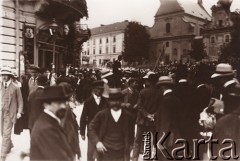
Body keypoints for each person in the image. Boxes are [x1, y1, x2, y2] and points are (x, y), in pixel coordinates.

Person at [30, 86, 74, 161]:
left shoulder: (50, 122)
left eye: (64, 102)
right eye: (59, 103)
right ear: (46, 105)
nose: (63, 106)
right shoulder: (46, 129)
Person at [88, 88, 133, 161]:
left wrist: (131, 147)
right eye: (112, 100)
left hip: (122, 154)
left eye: (118, 100)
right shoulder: (102, 115)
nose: (115, 103)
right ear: (108, 101)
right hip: (105, 153)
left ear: (121, 101)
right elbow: (91, 128)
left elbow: (131, 134)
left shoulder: (128, 116)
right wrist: (97, 142)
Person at [132, 74, 161, 161]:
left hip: (142, 120)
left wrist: (147, 115)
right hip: (153, 121)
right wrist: (153, 115)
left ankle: (134, 158)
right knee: (152, 141)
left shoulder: (143, 91)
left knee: (137, 141)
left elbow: (139, 106)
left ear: (149, 81)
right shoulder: (160, 92)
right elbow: (161, 107)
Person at [0, 66, 23, 161]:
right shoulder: (0, 86)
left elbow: (20, 101)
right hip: (1, 112)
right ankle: (9, 144)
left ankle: (2, 154)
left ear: (10, 76)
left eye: (6, 75)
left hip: (10, 113)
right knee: (2, 132)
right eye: (2, 75)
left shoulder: (16, 87)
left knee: (6, 133)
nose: (4, 77)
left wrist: (19, 112)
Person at [80, 80, 107, 161]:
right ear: (94, 89)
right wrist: (82, 132)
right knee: (91, 152)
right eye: (98, 89)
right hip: (92, 130)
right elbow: (83, 117)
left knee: (102, 152)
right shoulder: (88, 102)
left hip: (103, 130)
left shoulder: (105, 101)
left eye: (101, 89)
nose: (100, 91)